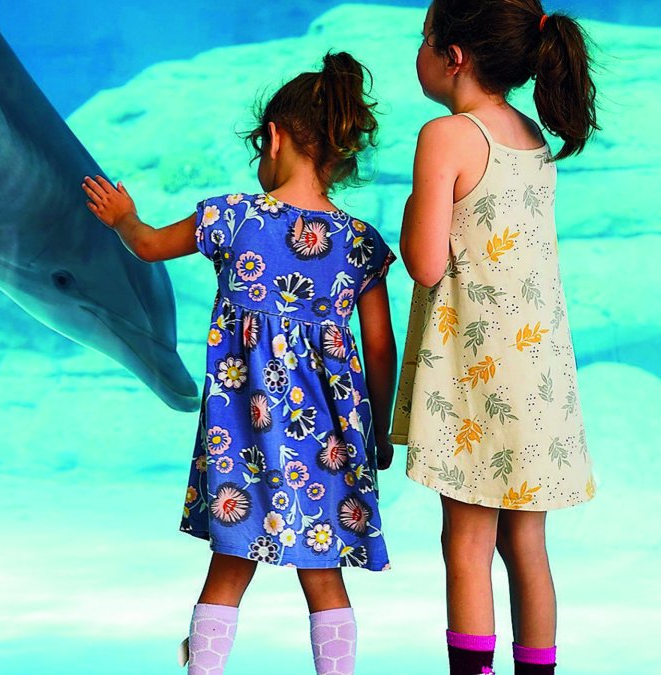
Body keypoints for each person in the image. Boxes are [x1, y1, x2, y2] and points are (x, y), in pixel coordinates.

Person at [83, 51, 398, 675]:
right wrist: (380, 430)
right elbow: (380, 346)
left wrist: (124, 218)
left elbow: (148, 247)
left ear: (274, 139)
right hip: (329, 441)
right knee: (325, 575)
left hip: (244, 437)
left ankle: (203, 668)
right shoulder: (360, 242)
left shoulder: (232, 216)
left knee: (228, 569)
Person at [390, 2, 599, 673]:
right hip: (537, 374)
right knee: (527, 547)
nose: (419, 51)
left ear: (454, 56)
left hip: (477, 376)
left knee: (467, 545)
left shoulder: (447, 136)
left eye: (425, 39)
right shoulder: (529, 135)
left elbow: (426, 263)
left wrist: (411, 208)